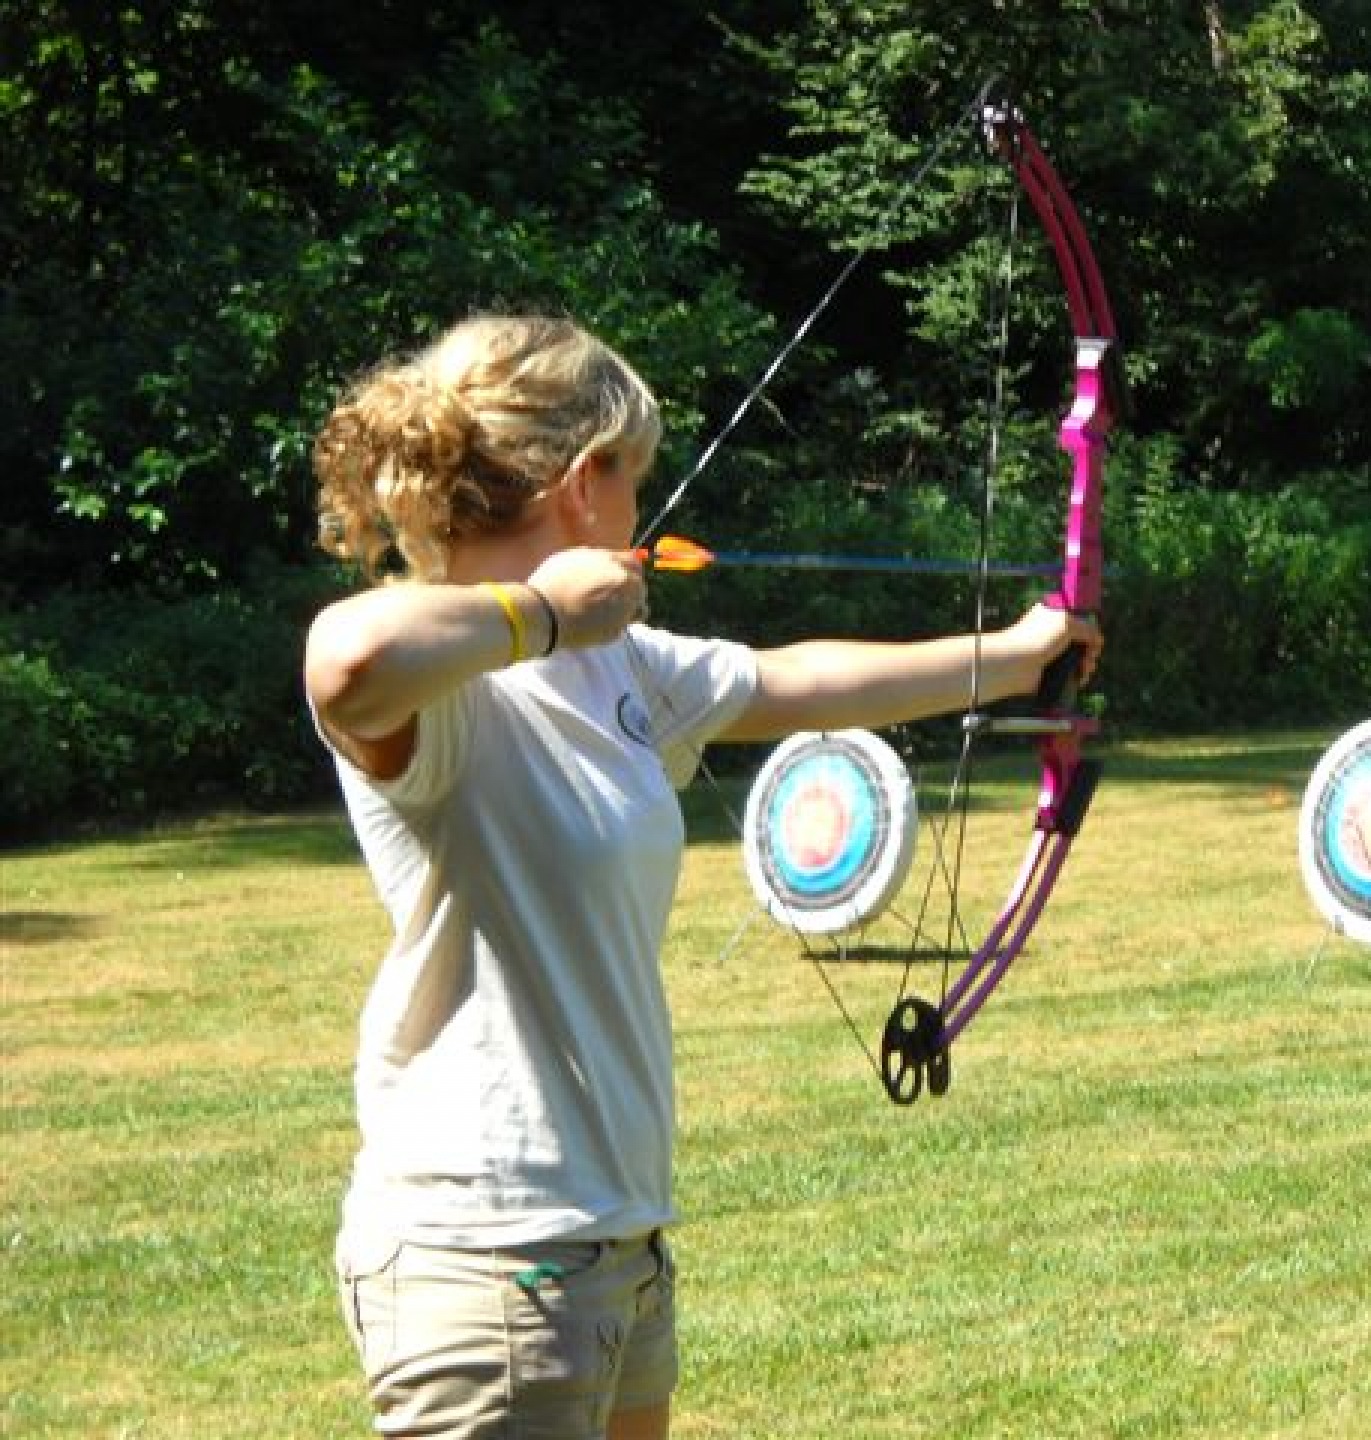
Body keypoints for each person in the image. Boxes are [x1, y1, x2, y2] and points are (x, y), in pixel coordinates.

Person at [303, 314, 1099, 1440]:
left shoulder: (616, 666)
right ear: (589, 484)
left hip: (615, 1246)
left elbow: (793, 681)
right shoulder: (454, 701)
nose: (644, 508)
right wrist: (537, 613)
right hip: (486, 1257)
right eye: (637, 477)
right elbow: (345, 661)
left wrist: (1019, 654)